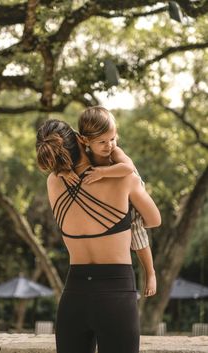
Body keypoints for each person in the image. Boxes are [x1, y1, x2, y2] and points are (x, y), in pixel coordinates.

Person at [36, 118, 161, 353]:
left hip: (74, 296)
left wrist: (63, 169)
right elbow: (154, 220)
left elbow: (59, 168)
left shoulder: (53, 181)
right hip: (115, 295)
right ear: (81, 140)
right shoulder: (124, 178)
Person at [60, 106, 156, 297]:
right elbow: (61, 164)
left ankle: (150, 272)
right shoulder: (82, 155)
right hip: (111, 198)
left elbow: (128, 169)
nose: (109, 145)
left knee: (137, 231)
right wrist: (64, 171)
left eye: (112, 139)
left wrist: (103, 172)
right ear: (85, 140)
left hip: (130, 194)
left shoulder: (115, 153)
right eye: (102, 141)